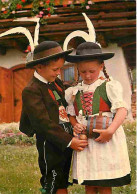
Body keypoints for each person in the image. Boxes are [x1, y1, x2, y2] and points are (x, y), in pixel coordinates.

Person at [19, 41, 88, 194]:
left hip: (64, 136)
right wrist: (70, 141)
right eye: (55, 69)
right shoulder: (32, 90)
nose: (58, 73)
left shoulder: (55, 82)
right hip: (49, 141)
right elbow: (42, 123)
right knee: (52, 178)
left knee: (62, 177)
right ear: (39, 67)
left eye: (60, 69)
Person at [65, 42, 131, 194]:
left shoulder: (109, 86)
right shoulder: (74, 91)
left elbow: (122, 110)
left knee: (103, 183)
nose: (87, 76)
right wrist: (75, 124)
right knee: (90, 182)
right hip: (86, 140)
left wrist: (110, 130)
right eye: (83, 72)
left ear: (101, 66)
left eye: (92, 71)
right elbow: (72, 115)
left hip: (105, 139)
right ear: (77, 70)